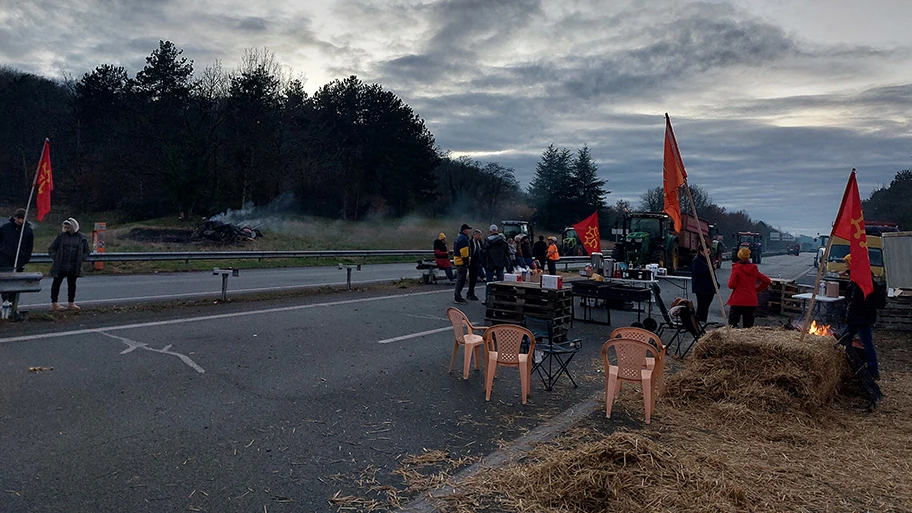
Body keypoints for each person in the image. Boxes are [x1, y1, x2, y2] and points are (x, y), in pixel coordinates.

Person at [841, 267, 885, 381]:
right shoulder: (856, 284)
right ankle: (842, 363)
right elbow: (850, 301)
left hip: (862, 319)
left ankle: (873, 370)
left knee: (866, 343)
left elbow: (877, 303)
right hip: (856, 318)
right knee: (843, 340)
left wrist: (865, 305)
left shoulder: (868, 286)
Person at [727, 247, 770, 328]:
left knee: (732, 325)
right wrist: (757, 289)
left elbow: (731, 285)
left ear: (739, 256)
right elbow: (767, 281)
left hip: (738, 300)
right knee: (748, 326)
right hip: (751, 300)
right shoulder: (753, 269)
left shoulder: (736, 268)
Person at [0, 208, 35, 303]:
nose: (20, 221)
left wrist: (25, 259)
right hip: (4, 260)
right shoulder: (5, 228)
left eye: (22, 218)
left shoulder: (27, 231)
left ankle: (12, 304)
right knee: (5, 283)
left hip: (19, 261)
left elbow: (29, 246)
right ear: (14, 217)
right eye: (18, 218)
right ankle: (5, 303)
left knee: (15, 285)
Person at [691, 244, 716, 323]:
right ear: (701, 251)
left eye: (709, 252)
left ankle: (703, 320)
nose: (708, 254)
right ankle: (699, 321)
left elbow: (712, 274)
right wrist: (710, 269)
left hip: (709, 287)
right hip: (701, 287)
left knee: (706, 306)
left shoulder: (708, 260)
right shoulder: (697, 261)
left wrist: (716, 283)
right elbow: (697, 273)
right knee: (702, 306)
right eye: (707, 252)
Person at [452, 224, 472, 304]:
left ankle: (457, 296)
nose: (469, 231)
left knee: (460, 279)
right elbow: (464, 252)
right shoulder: (463, 239)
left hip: (458, 261)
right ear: (464, 230)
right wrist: (467, 262)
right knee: (461, 280)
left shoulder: (459, 237)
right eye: (468, 229)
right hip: (462, 261)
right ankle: (457, 297)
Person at [467, 229, 484, 301]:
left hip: (478, 262)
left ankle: (471, 292)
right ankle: (470, 293)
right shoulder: (470, 242)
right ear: (474, 235)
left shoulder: (479, 242)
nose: (480, 237)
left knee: (475, 279)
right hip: (472, 263)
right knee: (472, 278)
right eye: (479, 235)